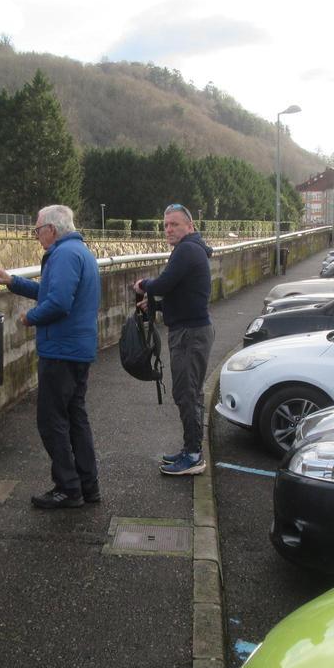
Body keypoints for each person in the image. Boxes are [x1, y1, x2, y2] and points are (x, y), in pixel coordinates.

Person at [0, 205, 101, 509]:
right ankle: (87, 486)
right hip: (78, 350)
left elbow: (59, 303)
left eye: (38, 229)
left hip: (61, 351)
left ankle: (68, 488)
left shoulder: (63, 255)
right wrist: (13, 281)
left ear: (52, 228)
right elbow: (52, 292)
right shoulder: (80, 252)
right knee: (76, 417)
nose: (36, 235)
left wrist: (31, 318)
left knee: (51, 421)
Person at [133, 203, 215, 476]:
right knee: (189, 392)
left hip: (190, 335)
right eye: (165, 225)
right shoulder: (192, 249)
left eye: (174, 224)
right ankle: (190, 449)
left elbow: (164, 283)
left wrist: (143, 284)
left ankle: (193, 456)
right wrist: (158, 307)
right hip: (191, 331)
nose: (168, 229)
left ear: (189, 226)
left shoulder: (187, 250)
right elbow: (183, 294)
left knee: (187, 393)